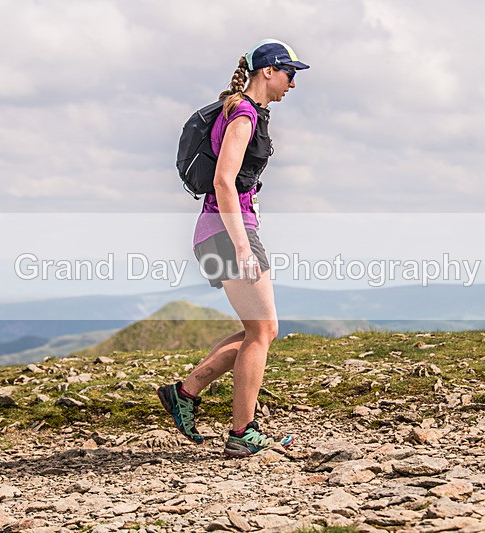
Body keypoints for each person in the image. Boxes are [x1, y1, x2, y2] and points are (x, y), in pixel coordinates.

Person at [158, 39, 309, 458]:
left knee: (257, 329)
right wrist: (242, 244)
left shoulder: (247, 111)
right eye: (290, 74)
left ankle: (185, 392)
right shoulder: (242, 114)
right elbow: (224, 181)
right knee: (263, 330)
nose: (293, 84)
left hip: (217, 229)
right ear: (268, 71)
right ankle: (242, 431)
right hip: (229, 230)